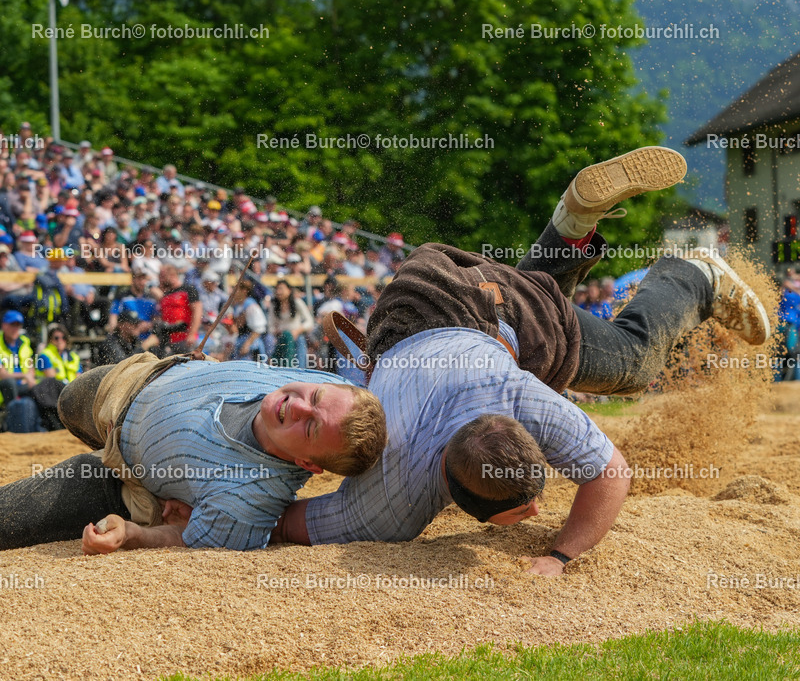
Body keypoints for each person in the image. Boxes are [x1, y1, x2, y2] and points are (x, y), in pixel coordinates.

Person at [276, 146, 771, 575]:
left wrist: (561, 557)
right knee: (535, 324)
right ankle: (592, 235)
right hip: (407, 307)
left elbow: (612, 474)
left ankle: (688, 276)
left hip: (465, 307)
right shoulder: (391, 500)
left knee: (632, 365)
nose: (537, 511)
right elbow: (285, 522)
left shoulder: (397, 498)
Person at [0, 357, 387, 554]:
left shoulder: (249, 501)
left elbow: (190, 543)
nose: (299, 407)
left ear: (308, 466)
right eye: (313, 397)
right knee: (62, 399)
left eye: (311, 429)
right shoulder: (314, 380)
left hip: (117, 476)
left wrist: (132, 536)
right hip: (125, 381)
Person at [0, 310, 36, 410]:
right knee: (9, 383)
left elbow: (31, 366)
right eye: (12, 325)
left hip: (23, 386)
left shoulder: (24, 342)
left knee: (46, 385)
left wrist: (29, 378)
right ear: (4, 326)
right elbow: (3, 375)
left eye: (18, 325)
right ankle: (14, 416)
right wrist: (25, 376)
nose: (15, 328)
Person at [268, 279, 314, 368]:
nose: (278, 292)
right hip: (280, 337)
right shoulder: (273, 305)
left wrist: (298, 330)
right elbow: (270, 326)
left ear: (289, 290)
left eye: (281, 289)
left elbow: (309, 321)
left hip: (296, 336)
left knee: (298, 340)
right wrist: (276, 331)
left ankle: (297, 368)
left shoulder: (297, 302)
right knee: (283, 336)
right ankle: (287, 367)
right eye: (277, 289)